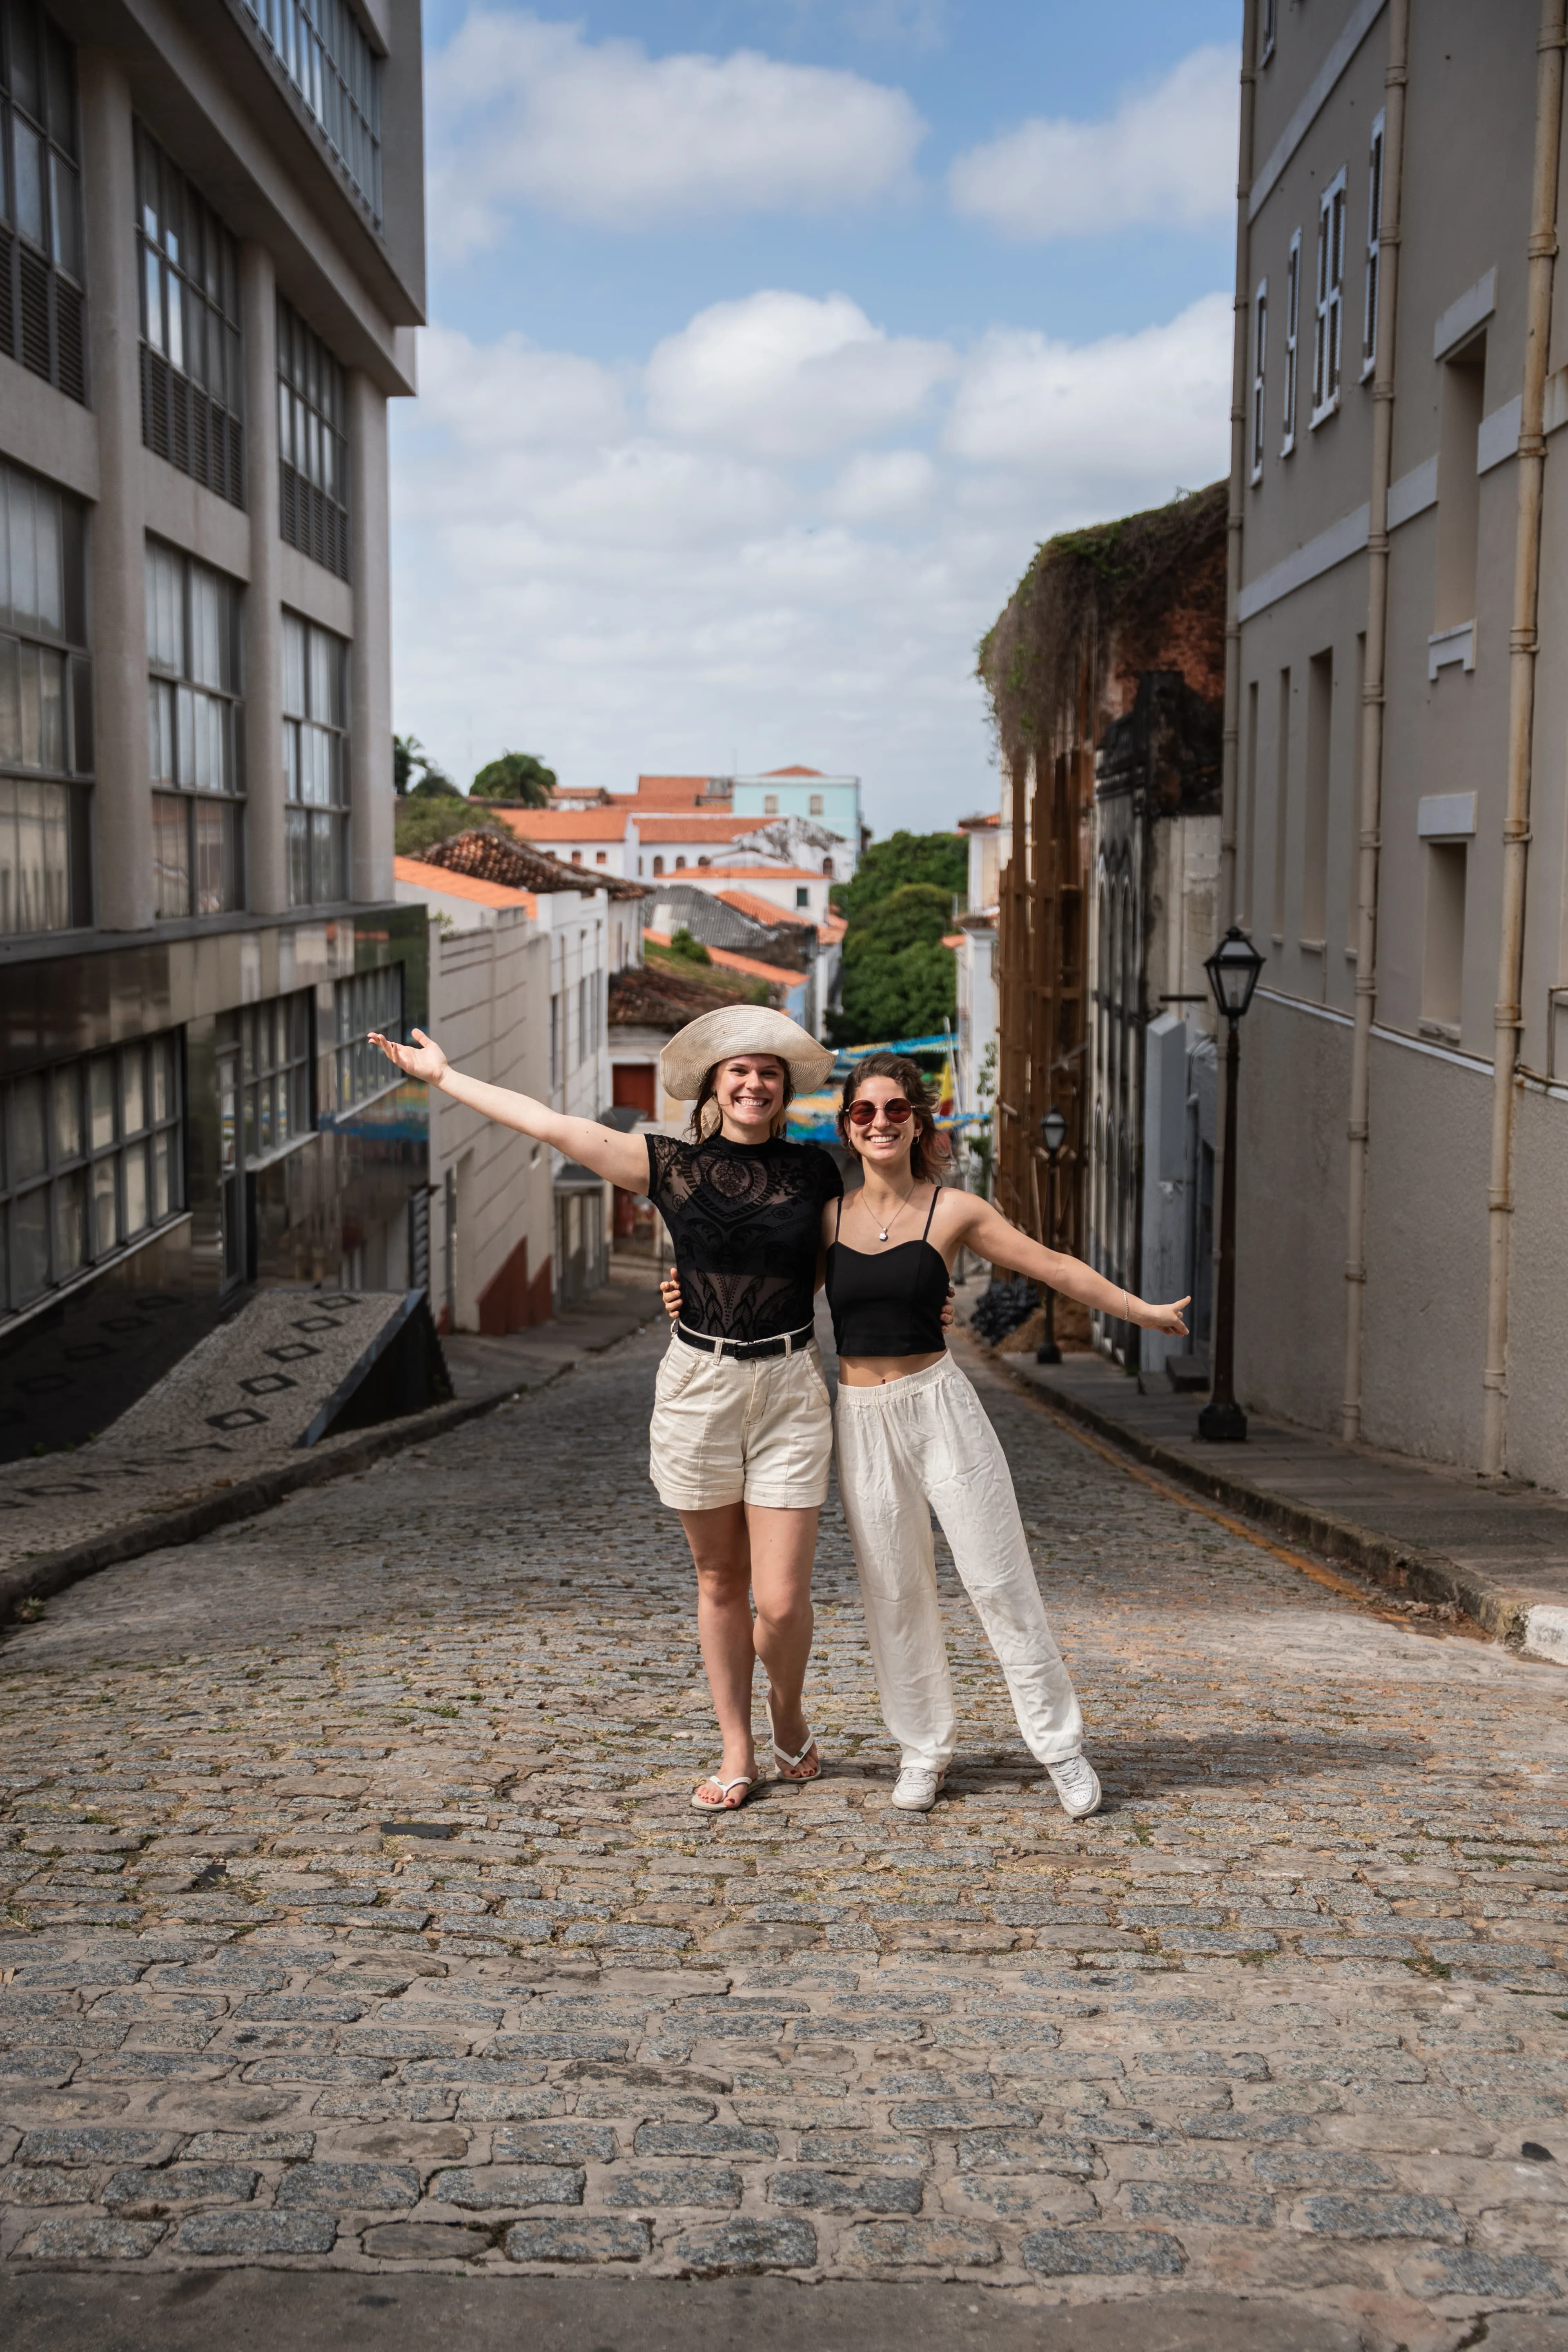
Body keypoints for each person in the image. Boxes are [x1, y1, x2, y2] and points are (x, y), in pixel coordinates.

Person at [664, 1053, 1190, 1818]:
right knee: (895, 1592)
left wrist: (1141, 1312)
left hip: (941, 1410)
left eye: (895, 1110)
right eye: (864, 1112)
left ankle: (1060, 1749)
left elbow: (1051, 1265)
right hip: (861, 1420)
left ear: (919, 1123)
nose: (880, 1123)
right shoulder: (827, 1218)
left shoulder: (956, 1212)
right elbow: (761, 1284)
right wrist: (683, 1293)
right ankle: (923, 1749)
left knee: (1000, 1581)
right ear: (848, 1128)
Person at [368, 1004, 842, 1815]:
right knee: (720, 1578)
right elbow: (554, 1127)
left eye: (769, 1072)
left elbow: (846, 1262)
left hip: (791, 1384)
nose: (755, 1083)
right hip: (699, 1385)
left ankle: (787, 1711)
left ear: (785, 1088)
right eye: (739, 1070)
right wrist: (445, 1079)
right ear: (714, 1085)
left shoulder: (817, 1171)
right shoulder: (670, 1165)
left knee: (783, 1600)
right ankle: (737, 1747)